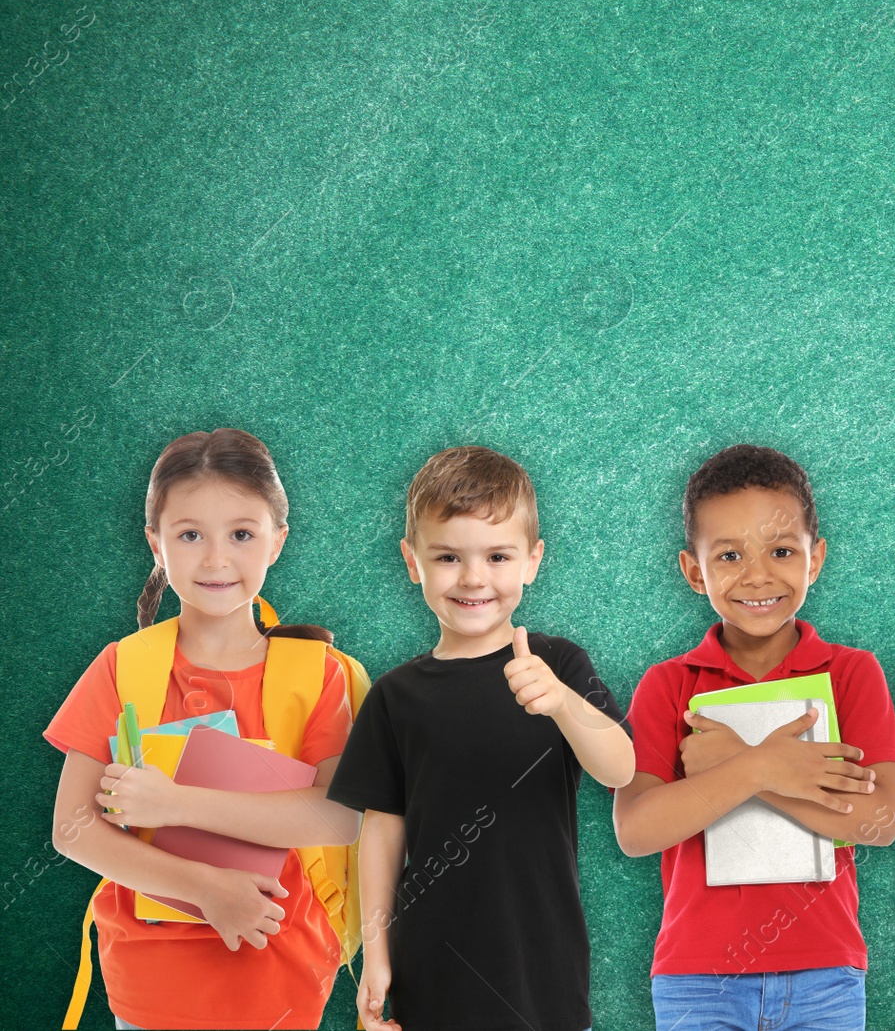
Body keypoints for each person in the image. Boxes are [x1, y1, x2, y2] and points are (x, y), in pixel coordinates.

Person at [45, 427, 361, 1029]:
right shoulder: (122, 667)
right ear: (155, 544)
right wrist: (206, 889)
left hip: (280, 966)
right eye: (189, 535)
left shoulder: (317, 675)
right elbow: (72, 829)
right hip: (150, 980)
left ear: (277, 542)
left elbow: (336, 817)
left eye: (242, 534)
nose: (216, 559)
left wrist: (175, 803)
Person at [612, 443, 895, 1031]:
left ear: (815, 559)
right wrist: (758, 769)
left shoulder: (851, 672)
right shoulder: (667, 684)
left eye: (781, 550)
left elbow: (879, 822)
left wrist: (753, 767)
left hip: (824, 972)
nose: (757, 575)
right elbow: (636, 830)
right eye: (729, 554)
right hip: (697, 978)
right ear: (694, 570)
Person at [327, 445, 634, 1031]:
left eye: (497, 555)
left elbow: (619, 767)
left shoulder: (557, 662)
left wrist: (561, 703)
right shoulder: (395, 696)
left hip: (542, 961)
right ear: (412, 561)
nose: (473, 578)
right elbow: (383, 831)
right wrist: (376, 955)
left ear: (532, 560)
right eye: (447, 557)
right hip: (431, 965)